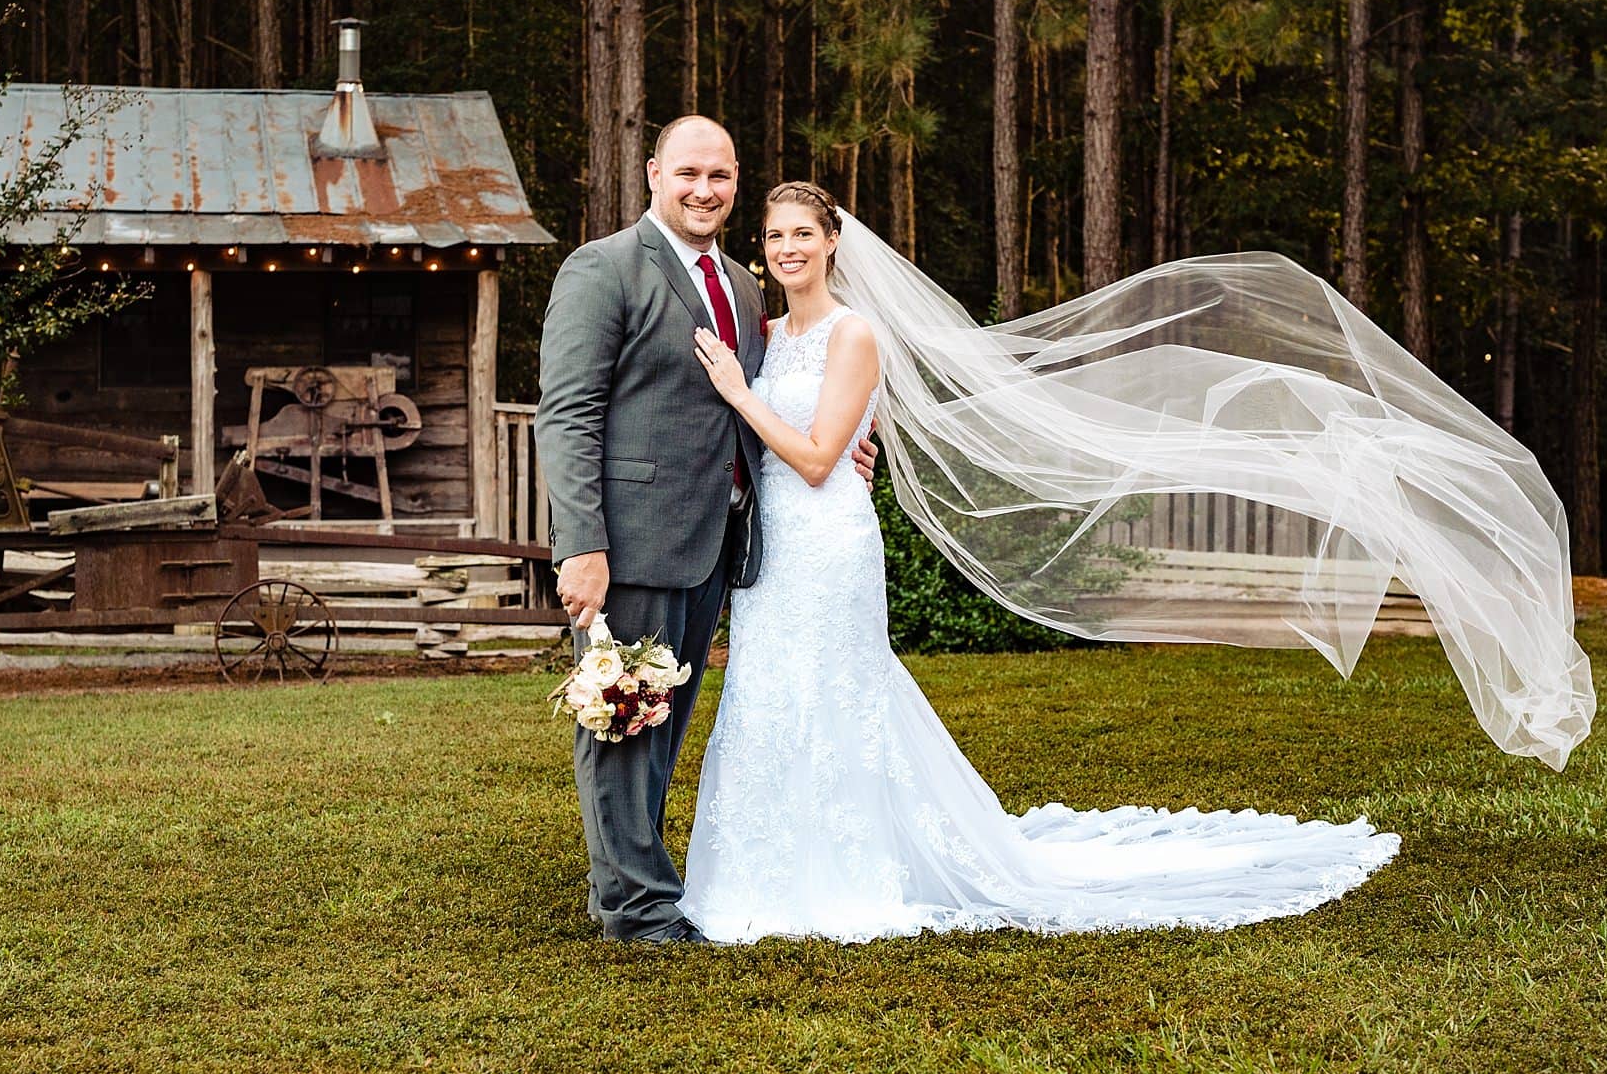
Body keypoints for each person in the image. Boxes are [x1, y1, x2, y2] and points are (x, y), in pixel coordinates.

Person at [677, 182, 1408, 944]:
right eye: (772, 236)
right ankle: (762, 873)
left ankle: (848, 875)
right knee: (770, 693)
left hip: (828, 543)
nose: (785, 248)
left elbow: (822, 457)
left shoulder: (853, 332)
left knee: (836, 692)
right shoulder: (766, 333)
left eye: (801, 233)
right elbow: (833, 433)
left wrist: (738, 391)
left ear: (832, 241)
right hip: (774, 551)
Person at [534, 121, 875, 943]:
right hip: (630, 543)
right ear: (654, 173)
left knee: (663, 726)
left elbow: (755, 408)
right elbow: (568, 412)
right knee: (622, 719)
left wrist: (844, 451)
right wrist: (581, 545)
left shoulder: (742, 286)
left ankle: (624, 879)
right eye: (687, 172)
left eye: (719, 175)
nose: (704, 189)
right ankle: (637, 907)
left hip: (716, 546)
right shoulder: (605, 268)